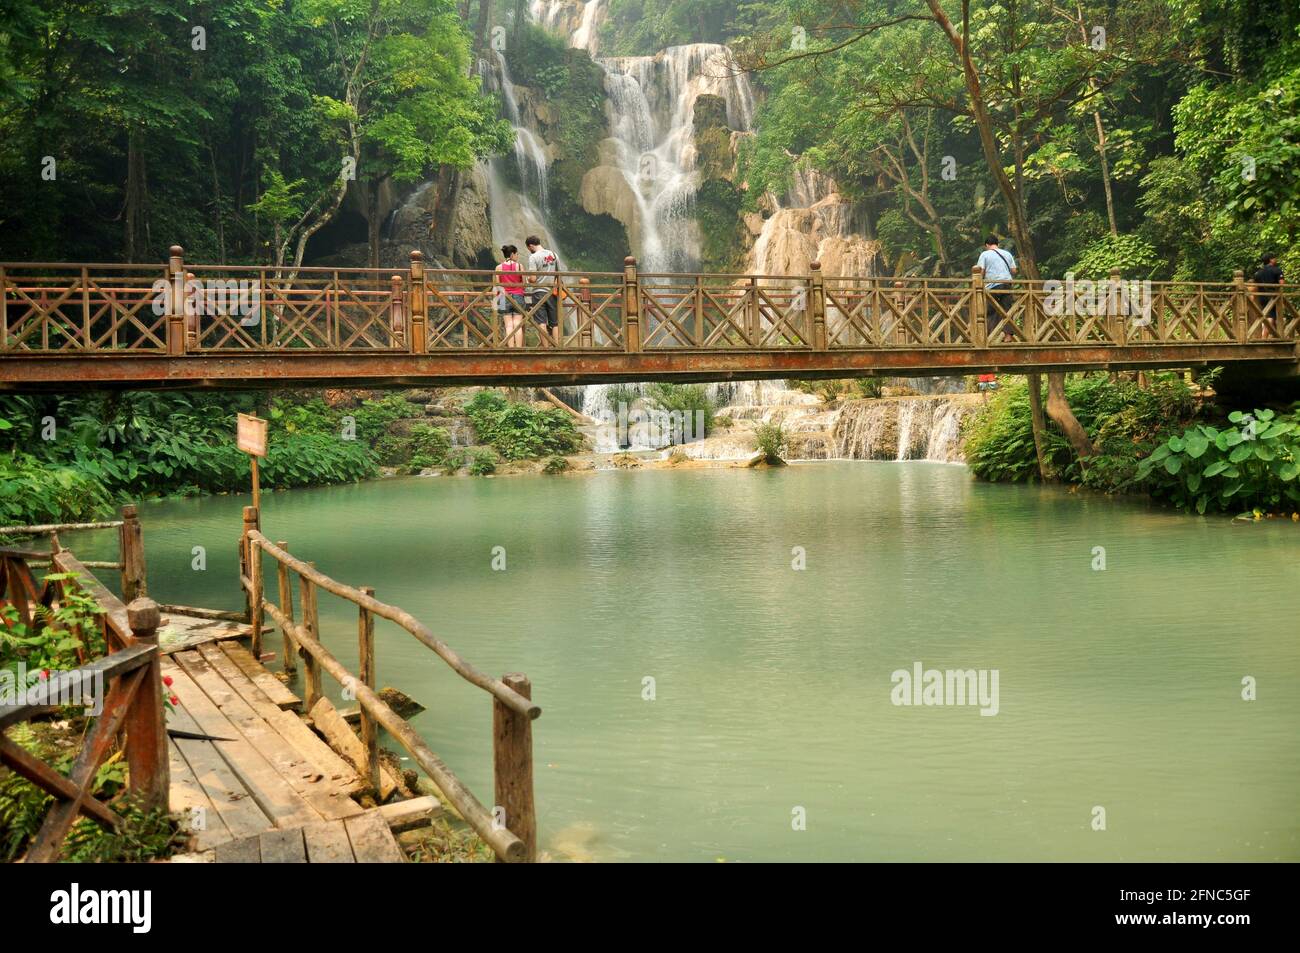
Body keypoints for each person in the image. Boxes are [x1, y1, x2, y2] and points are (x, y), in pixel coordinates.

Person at [976, 236, 1017, 341]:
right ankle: (1008, 336)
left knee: (990, 310)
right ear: (997, 244)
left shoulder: (984, 254)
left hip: (992, 286)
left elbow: (981, 272)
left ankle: (992, 335)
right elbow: (1014, 271)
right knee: (1007, 310)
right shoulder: (1007, 254)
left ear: (986, 245)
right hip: (1006, 284)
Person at [525, 235, 561, 344]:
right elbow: (558, 275)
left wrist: (527, 279)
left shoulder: (534, 257)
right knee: (555, 322)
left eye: (528, 248)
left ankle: (546, 347)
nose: (529, 250)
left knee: (541, 322)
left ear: (531, 246)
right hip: (553, 292)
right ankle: (557, 346)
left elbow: (533, 278)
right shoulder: (554, 255)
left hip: (539, 292)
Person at [494, 244, 527, 347]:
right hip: (518, 296)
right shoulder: (520, 266)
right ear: (512, 254)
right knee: (517, 325)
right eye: (517, 254)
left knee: (508, 325)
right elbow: (524, 284)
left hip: (503, 297)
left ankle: (510, 348)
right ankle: (518, 348)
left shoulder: (498, 267)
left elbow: (497, 285)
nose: (517, 256)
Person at [1253, 253, 1284, 337]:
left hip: (1262, 297)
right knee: (1270, 317)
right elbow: (1282, 284)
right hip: (1273, 297)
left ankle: (1275, 336)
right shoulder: (1277, 270)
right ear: (1270, 260)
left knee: (1266, 316)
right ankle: (1264, 337)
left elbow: (1255, 286)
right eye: (1274, 258)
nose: (1276, 259)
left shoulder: (1258, 272)